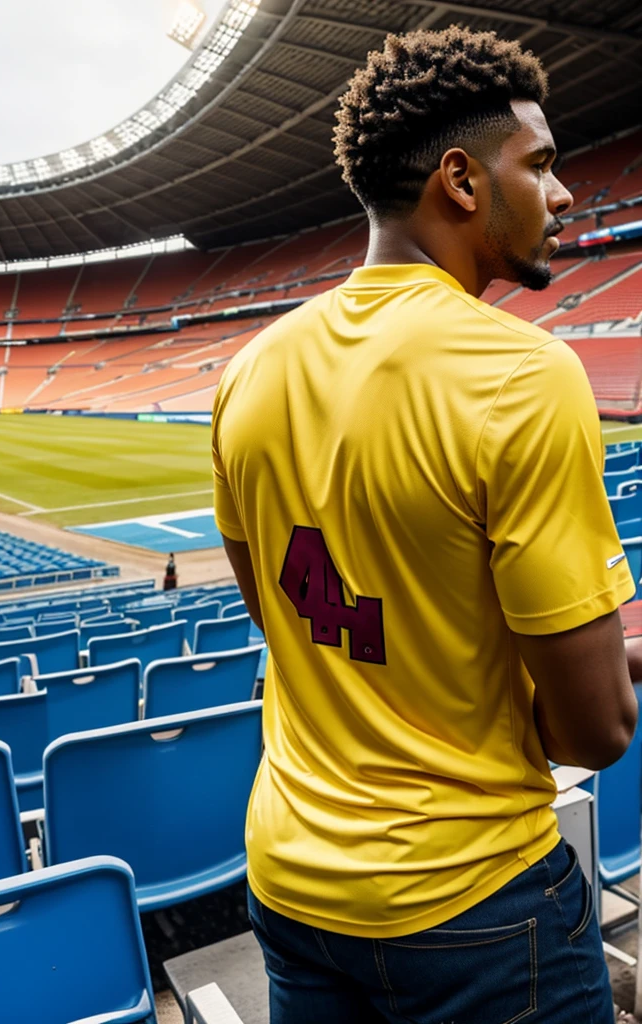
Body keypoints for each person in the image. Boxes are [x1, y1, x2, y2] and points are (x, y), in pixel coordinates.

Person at [211, 26, 641, 1023]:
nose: (563, 192)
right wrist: (598, 671)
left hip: (288, 879)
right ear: (459, 178)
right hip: (473, 903)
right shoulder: (524, 374)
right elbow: (595, 729)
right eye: (537, 164)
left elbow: (287, 628)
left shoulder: (246, 375)